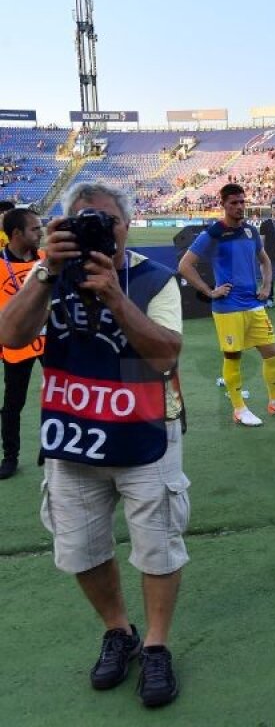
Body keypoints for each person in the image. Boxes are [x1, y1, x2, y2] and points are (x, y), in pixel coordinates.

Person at [0, 183, 187, 708]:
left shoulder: (154, 279)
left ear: (127, 226)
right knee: (79, 546)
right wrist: (45, 271)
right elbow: (11, 338)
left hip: (147, 429)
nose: (96, 230)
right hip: (72, 434)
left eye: (106, 221)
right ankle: (117, 630)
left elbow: (165, 356)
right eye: (82, 221)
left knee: (157, 543)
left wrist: (113, 293)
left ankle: (154, 644)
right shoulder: (49, 275)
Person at [177, 183, 275, 426]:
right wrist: (209, 291)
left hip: (254, 304)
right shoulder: (213, 233)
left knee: (272, 353)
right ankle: (239, 409)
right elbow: (184, 265)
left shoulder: (251, 232)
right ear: (223, 204)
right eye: (234, 203)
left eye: (242, 202)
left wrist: (266, 287)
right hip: (228, 307)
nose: (239, 207)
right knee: (233, 357)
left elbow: (265, 262)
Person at [0, 208, 44, 479]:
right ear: (17, 234)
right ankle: (10, 457)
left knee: (60, 397)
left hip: (50, 341)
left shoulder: (48, 260)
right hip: (16, 344)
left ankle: (54, 446)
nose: (41, 233)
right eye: (36, 229)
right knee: (13, 403)